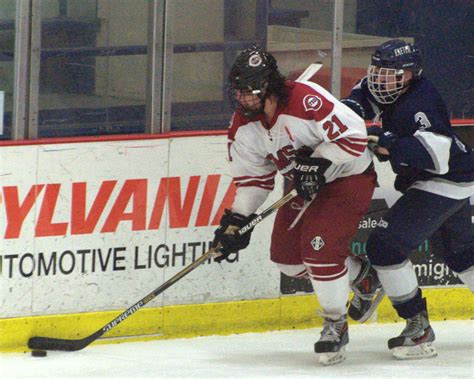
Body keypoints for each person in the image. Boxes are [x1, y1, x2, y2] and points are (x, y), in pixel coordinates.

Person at [212, 45, 381, 366]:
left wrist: (318, 162)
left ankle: (335, 322)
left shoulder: (306, 99)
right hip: (302, 186)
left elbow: (355, 136)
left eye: (250, 92)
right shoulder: (242, 127)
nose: (243, 99)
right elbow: (254, 181)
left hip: (347, 177)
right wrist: (236, 222)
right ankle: (363, 276)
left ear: (268, 86)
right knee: (287, 260)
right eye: (239, 93)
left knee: (320, 253)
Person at [342, 39, 474, 360]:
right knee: (461, 256)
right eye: (378, 71)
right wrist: (344, 117)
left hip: (444, 180)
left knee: (384, 248)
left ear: (410, 75)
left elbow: (438, 155)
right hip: (457, 178)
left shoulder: (422, 102)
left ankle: (419, 329)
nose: (380, 79)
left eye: (390, 74)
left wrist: (392, 143)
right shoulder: (388, 87)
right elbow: (360, 98)